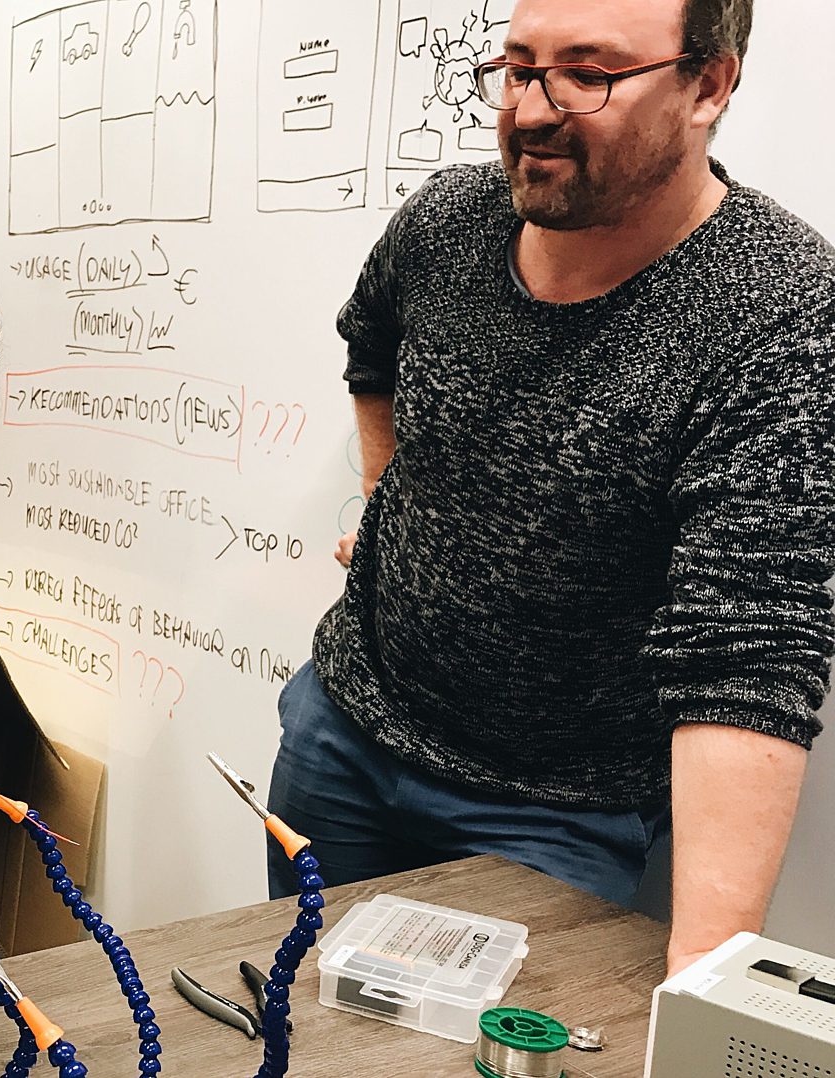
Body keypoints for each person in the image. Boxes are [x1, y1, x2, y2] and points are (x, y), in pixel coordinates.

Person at [271, 0, 835, 975]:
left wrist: (700, 999)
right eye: (520, 65)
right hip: (345, 737)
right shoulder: (450, 221)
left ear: (710, 84)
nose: (531, 109)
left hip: (550, 813)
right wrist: (384, 493)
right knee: (299, 1020)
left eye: (588, 74)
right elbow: (370, 340)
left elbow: (746, 660)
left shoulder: (779, 314)